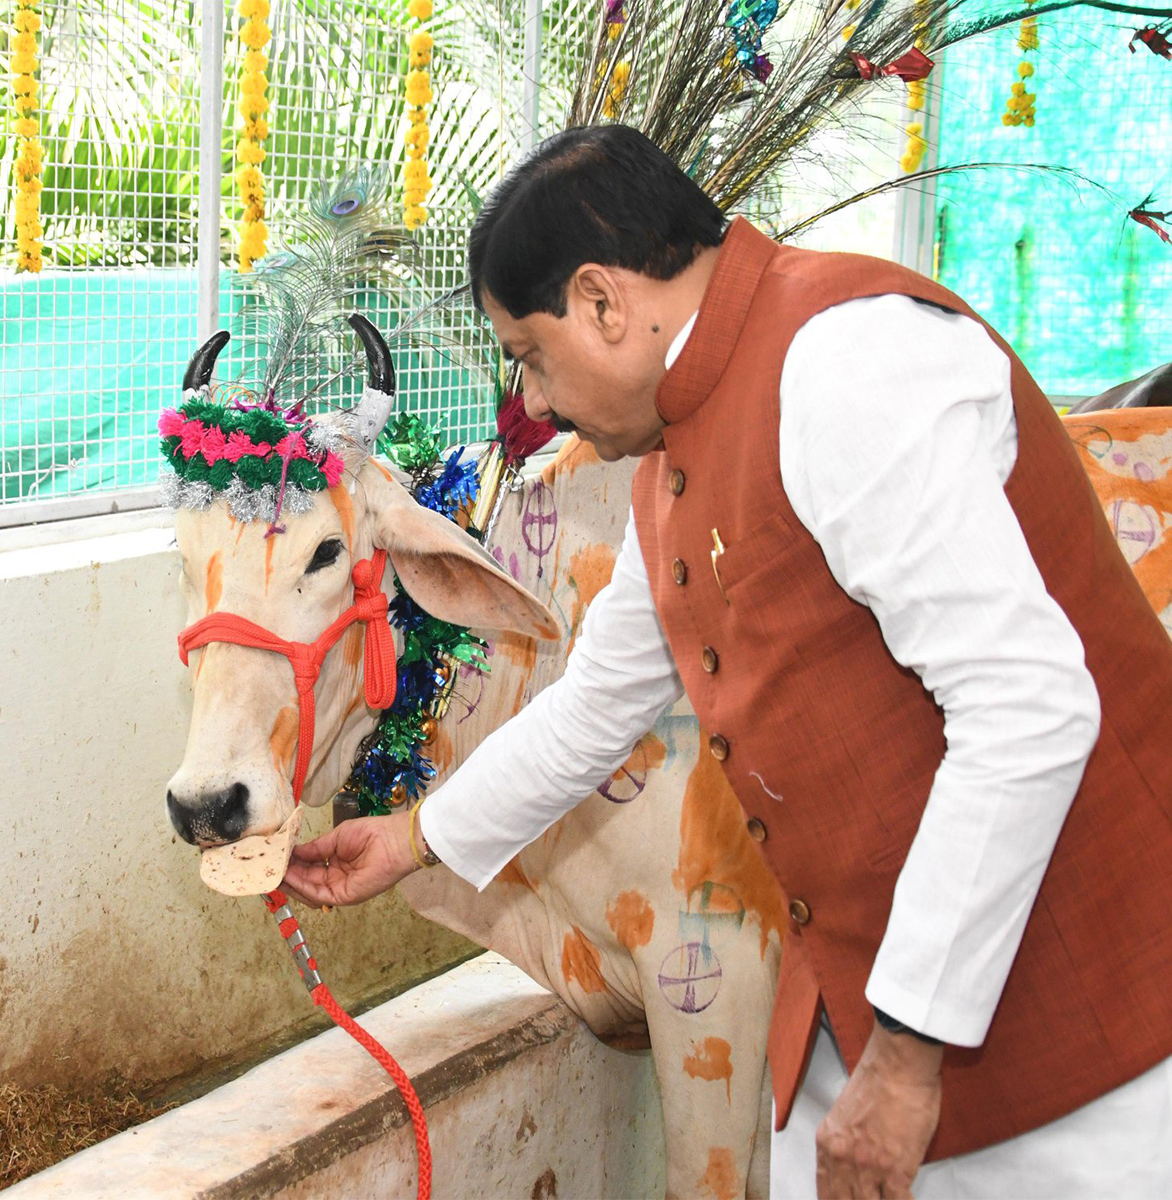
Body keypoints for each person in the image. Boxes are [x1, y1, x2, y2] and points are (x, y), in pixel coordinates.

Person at [282, 125, 1172, 1199]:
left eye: (528, 355)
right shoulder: (675, 456)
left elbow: (1027, 707)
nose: (535, 404)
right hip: (869, 999)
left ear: (602, 301)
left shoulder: (848, 364)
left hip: (1076, 1021)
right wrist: (406, 841)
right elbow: (592, 708)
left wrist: (905, 1058)